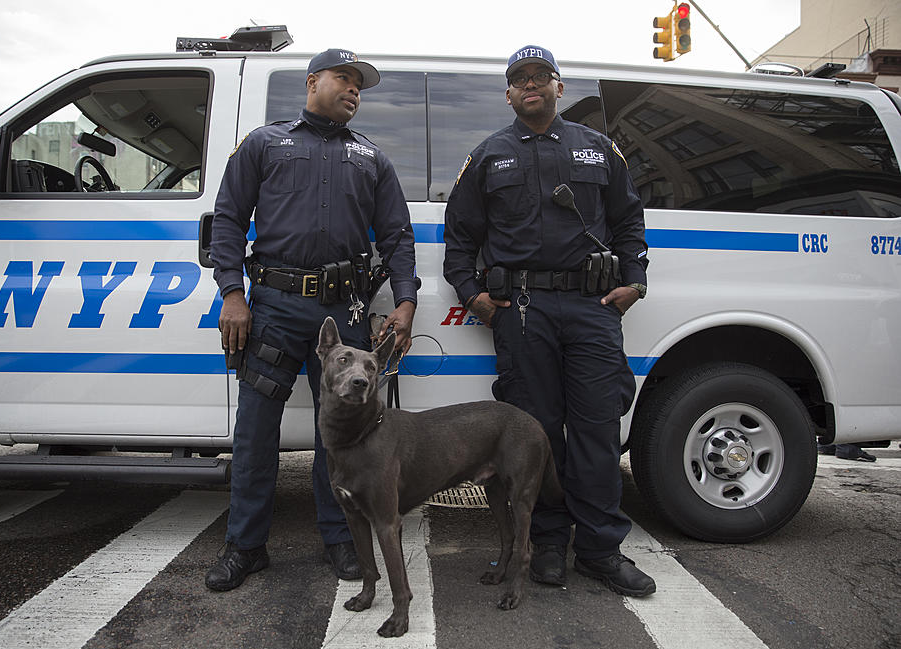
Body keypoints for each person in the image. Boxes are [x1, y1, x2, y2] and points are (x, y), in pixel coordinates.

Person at [443, 46, 655, 597]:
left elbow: (630, 221)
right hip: (523, 313)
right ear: (509, 94)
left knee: (597, 431)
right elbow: (459, 239)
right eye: (520, 79)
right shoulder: (489, 156)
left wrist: (635, 282)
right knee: (534, 438)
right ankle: (549, 543)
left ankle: (602, 551)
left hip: (591, 310)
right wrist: (474, 297)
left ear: (559, 88)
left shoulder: (598, 149)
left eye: (541, 77)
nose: (530, 85)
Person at [206, 49, 417, 591]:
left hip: (342, 313)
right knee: (255, 432)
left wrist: (405, 301)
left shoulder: (372, 158)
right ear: (312, 81)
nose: (353, 90)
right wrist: (233, 295)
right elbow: (228, 217)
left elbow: (396, 235)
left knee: (344, 437)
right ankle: (246, 547)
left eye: (359, 85)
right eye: (344, 79)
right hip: (272, 307)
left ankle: (342, 541)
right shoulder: (264, 143)